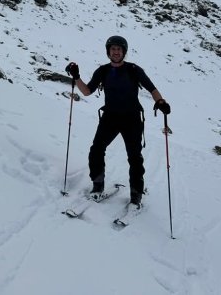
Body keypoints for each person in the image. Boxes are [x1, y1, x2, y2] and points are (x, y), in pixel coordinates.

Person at [65, 35, 170, 208]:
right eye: (113, 49)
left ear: (124, 52)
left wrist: (160, 102)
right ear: (108, 51)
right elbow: (86, 91)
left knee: (134, 157)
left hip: (132, 119)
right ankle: (97, 186)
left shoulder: (134, 69)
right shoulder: (103, 71)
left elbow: (152, 89)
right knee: (97, 149)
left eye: (119, 49)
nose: (116, 52)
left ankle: (136, 195)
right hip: (110, 118)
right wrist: (76, 76)